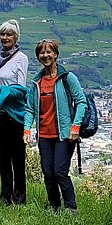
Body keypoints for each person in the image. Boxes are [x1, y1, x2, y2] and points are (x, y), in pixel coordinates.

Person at [23, 39, 86, 214]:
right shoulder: (36, 83)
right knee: (48, 173)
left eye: (49, 52)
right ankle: (54, 206)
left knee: (60, 171)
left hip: (65, 135)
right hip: (44, 135)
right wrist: (27, 129)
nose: (46, 55)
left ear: (56, 54)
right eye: (42, 53)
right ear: (38, 57)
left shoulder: (67, 78)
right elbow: (29, 108)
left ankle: (71, 207)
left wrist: (75, 126)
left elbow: (81, 102)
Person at [0, 19, 28, 205]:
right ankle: (5, 196)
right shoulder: (0, 58)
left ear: (16, 37)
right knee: (3, 156)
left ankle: (19, 198)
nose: (5, 37)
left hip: (14, 114)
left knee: (17, 158)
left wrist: (0, 99)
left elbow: (20, 88)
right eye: (2, 34)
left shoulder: (21, 58)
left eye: (8, 34)